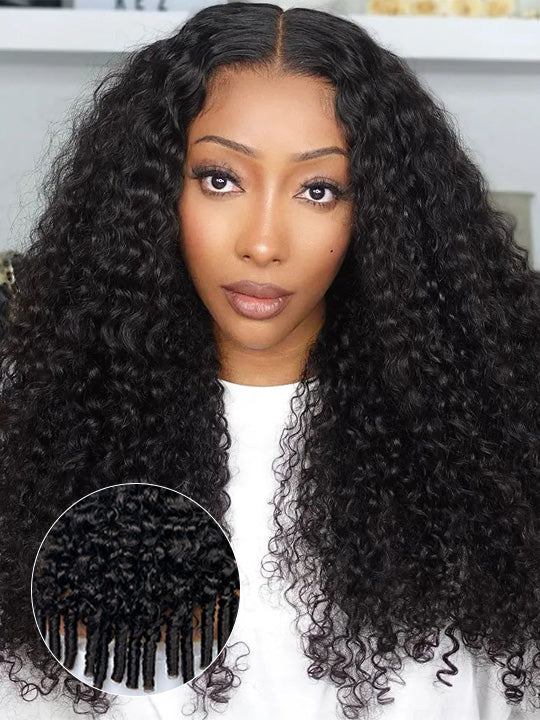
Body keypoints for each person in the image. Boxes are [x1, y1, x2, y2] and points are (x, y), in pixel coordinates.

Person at [0, 2, 539, 719]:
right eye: (220, 179)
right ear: (153, 191)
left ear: (379, 213)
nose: (262, 243)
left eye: (318, 190)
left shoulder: (486, 450)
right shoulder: (51, 446)